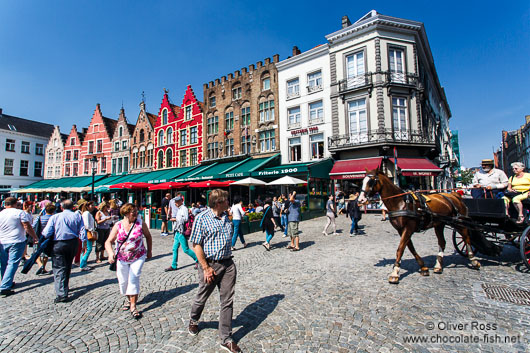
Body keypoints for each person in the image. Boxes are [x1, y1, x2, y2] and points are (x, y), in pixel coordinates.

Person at [188, 189, 242, 353]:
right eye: (227, 200)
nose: (229, 203)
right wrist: (206, 268)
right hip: (210, 265)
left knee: (227, 301)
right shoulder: (202, 219)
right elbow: (196, 245)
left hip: (228, 264)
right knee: (202, 296)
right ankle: (194, 319)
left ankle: (225, 338)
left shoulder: (226, 217)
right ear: (219, 203)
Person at [106, 203, 152, 319]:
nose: (136, 214)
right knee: (123, 281)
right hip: (122, 258)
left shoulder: (140, 224)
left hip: (138, 255)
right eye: (134, 212)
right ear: (126, 213)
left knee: (134, 277)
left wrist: (149, 251)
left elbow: (148, 236)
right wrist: (111, 254)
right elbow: (108, 241)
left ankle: (133, 306)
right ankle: (128, 298)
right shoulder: (118, 225)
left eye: (137, 211)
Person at [42, 199, 84, 303]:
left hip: (59, 243)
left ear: (61, 207)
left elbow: (47, 232)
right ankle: (65, 286)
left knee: (59, 267)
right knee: (68, 265)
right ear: (73, 207)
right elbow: (82, 230)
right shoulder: (77, 216)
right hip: (73, 242)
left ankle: (62, 293)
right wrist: (83, 244)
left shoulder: (55, 217)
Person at [0, 197, 38, 296]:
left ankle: (6, 281)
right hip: (16, 240)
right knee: (12, 263)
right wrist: (34, 237)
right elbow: (27, 226)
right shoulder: (20, 213)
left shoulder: (1, 213)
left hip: (2, 241)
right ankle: (5, 286)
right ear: (16, 204)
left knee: (4, 263)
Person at [165, 195, 198, 272]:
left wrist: (175, 219)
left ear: (180, 201)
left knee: (185, 249)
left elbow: (185, 219)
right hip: (177, 230)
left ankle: (198, 259)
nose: (175, 203)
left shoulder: (184, 209)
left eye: (176, 201)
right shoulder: (179, 209)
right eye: (175, 201)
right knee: (175, 248)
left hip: (181, 231)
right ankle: (174, 265)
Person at [33, 203, 56, 275]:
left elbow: (33, 226)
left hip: (39, 237)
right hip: (49, 238)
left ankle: (40, 265)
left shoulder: (40, 218)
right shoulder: (54, 218)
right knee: (46, 254)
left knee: (36, 253)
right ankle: (44, 267)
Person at [79, 202, 96, 271]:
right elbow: (86, 224)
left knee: (84, 249)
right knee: (88, 249)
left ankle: (83, 263)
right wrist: (92, 230)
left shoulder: (86, 213)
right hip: (87, 232)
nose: (93, 207)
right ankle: (83, 264)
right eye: (92, 205)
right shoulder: (87, 213)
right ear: (88, 206)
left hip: (86, 232)